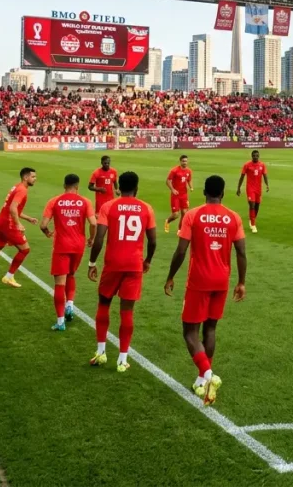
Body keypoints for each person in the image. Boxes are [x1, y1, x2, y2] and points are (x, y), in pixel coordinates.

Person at [164, 175, 247, 406]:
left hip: (199, 280)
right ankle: (202, 380)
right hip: (222, 280)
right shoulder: (233, 217)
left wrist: (170, 276)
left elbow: (181, 251)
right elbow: (241, 252)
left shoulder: (193, 215)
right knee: (210, 329)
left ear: (204, 192)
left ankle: (209, 375)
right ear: (222, 193)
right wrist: (241, 282)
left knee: (190, 332)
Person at [87, 171, 157, 373]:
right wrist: (148, 260)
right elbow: (152, 240)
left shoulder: (109, 206)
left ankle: (100, 352)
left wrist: (92, 262)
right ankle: (123, 359)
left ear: (119, 188)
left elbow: (99, 238)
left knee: (104, 304)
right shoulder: (146, 208)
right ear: (137, 187)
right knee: (127, 311)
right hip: (134, 265)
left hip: (112, 264)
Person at [41, 174, 96, 331]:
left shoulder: (54, 201)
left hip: (61, 246)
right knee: (71, 275)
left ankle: (60, 322)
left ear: (64, 185)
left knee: (59, 283)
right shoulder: (85, 201)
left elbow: (43, 224)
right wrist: (91, 238)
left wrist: (47, 231)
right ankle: (70, 305)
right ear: (77, 186)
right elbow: (93, 223)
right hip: (78, 245)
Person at [236, 150, 269, 234]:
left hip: (258, 188)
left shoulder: (262, 165)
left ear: (259, 156)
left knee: (257, 206)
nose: (255, 157)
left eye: (257, 156)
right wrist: (238, 188)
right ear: (251, 156)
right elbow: (242, 177)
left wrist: (267, 185)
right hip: (250, 188)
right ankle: (253, 225)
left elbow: (265, 175)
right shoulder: (247, 165)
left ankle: (252, 218)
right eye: (254, 156)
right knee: (252, 205)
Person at [164, 155, 193, 235]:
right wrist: (173, 190)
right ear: (180, 162)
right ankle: (168, 221)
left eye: (186, 161)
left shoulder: (189, 171)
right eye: (183, 161)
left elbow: (189, 180)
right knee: (176, 214)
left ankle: (180, 229)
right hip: (175, 195)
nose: (185, 163)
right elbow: (168, 181)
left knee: (184, 212)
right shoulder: (174, 171)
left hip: (184, 195)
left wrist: (191, 187)